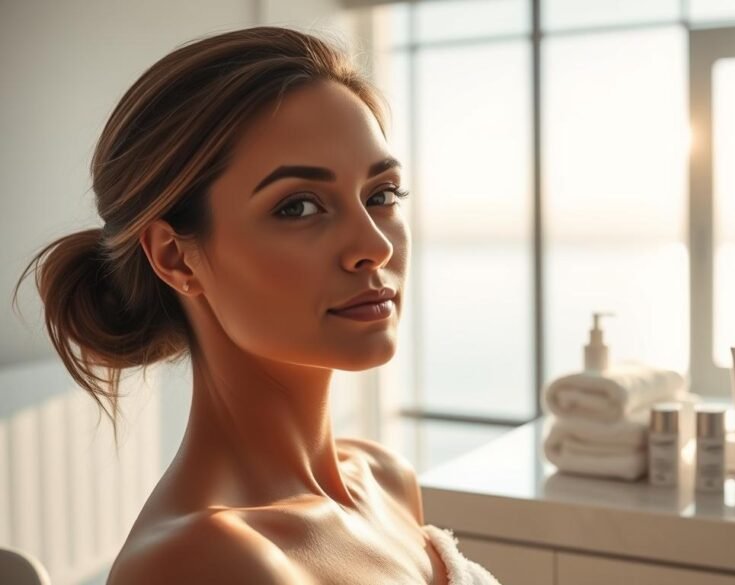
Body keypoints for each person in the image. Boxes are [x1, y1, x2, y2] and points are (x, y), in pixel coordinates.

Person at [18, 26, 500, 585]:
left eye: (381, 195)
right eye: (298, 207)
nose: (375, 245)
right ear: (176, 258)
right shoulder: (201, 561)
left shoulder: (385, 479)